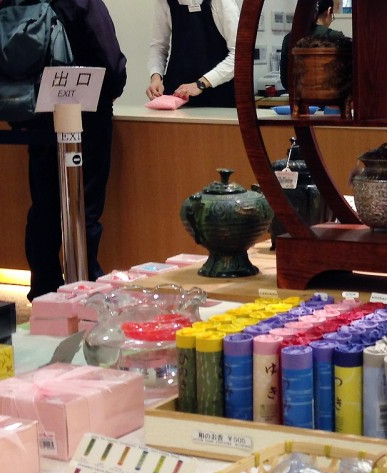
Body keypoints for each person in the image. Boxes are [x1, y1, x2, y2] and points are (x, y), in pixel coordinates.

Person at [22, 0, 127, 300]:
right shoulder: (84, 3)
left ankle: (44, 292)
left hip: (38, 115)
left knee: (43, 207)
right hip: (86, 116)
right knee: (84, 207)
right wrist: (113, 88)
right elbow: (111, 63)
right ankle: (83, 288)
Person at [146, 0, 240, 108]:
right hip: (178, 95)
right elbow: (159, 47)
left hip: (220, 94)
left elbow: (239, 56)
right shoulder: (164, 2)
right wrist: (156, 78)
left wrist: (201, 84)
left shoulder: (221, 2)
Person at [279, 0, 346, 90]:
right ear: (329, 11)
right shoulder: (336, 37)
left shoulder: (288, 38)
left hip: (297, 100)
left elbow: (285, 81)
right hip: (329, 99)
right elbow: (345, 80)